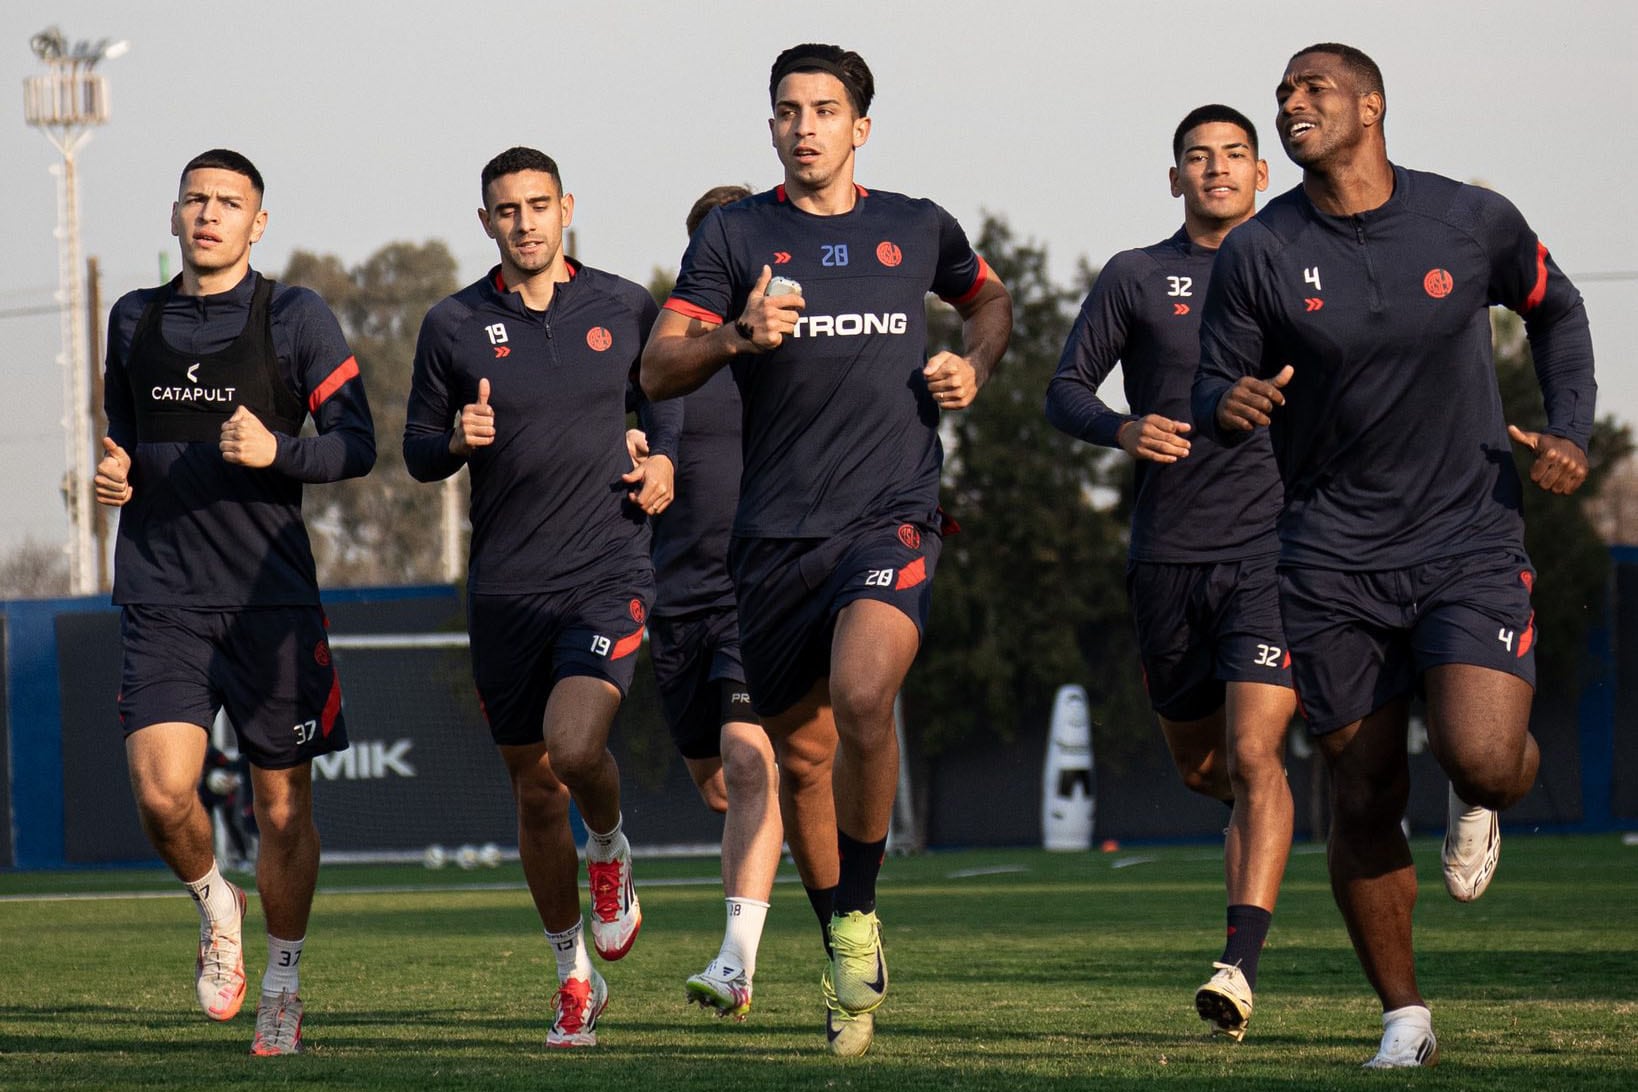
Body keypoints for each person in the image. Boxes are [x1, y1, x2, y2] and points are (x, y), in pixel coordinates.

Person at [1192, 44, 1595, 1068]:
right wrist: (1227, 404)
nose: (1291, 106)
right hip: (1327, 557)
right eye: (1281, 94)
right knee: (1362, 789)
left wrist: (1574, 434)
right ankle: (1403, 1016)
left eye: (1311, 90)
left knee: (1482, 755)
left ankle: (1483, 796)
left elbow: (1558, 309)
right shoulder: (1259, 251)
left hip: (1468, 537)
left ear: (1371, 106)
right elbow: (1213, 385)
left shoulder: (1468, 219)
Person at [642, 44, 1012, 1057]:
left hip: (891, 516)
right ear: (771, 127)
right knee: (801, 766)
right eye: (787, 111)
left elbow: (989, 299)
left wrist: (972, 364)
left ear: (861, 127)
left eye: (825, 109)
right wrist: (734, 336)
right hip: (770, 540)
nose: (805, 125)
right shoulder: (734, 233)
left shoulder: (914, 225)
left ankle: (860, 915)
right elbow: (658, 362)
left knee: (862, 696)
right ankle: (839, 957)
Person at [95, 148, 376, 1056]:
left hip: (269, 602)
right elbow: (125, 439)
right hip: (162, 595)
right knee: (161, 791)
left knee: (284, 809)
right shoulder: (132, 318)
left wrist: (281, 454)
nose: (210, 213)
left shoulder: (295, 317)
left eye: (230, 203)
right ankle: (218, 904)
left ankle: (284, 980)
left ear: (259, 223)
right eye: (196, 199)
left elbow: (358, 445)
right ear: (174, 215)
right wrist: (112, 469)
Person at [403, 146, 675, 1049]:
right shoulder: (451, 324)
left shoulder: (626, 305)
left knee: (572, 745)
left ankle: (609, 847)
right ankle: (572, 977)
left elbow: (666, 397)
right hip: (507, 588)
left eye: (537, 205)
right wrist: (456, 436)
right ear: (485, 222)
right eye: (505, 210)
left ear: (567, 208)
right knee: (530, 791)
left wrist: (664, 456)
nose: (523, 222)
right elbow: (414, 451)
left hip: (607, 570)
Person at [1045, 104, 1296, 1042]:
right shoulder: (1138, 276)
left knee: (1255, 756)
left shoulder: (1299, 277)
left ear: (1263, 174)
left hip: (1276, 549)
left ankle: (1239, 963)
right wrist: (1121, 427)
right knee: (1207, 771)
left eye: (1236, 155)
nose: (1218, 169)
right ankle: (1268, 822)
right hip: (1166, 558)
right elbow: (1064, 389)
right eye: (1199, 156)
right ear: (1175, 177)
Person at [635, 184, 784, 1021]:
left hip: (755, 591)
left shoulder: (786, 345)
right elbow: (629, 423)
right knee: (722, 784)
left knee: (747, 759)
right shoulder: (664, 348)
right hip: (674, 596)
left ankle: (736, 960)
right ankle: (796, 813)